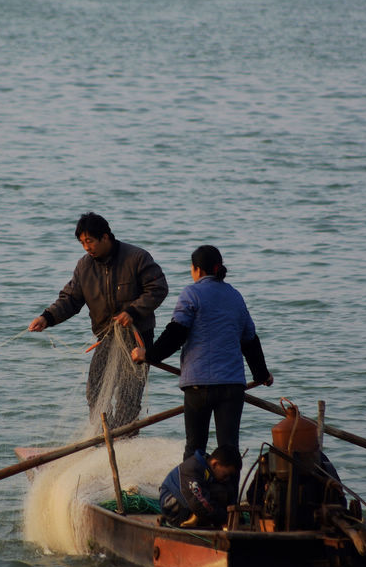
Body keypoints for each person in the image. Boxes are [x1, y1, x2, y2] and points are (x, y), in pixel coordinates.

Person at [132, 245, 273, 461]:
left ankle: (195, 492)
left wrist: (147, 355)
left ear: (197, 269)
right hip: (232, 387)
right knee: (229, 450)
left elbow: (176, 333)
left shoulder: (192, 293)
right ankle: (228, 494)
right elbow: (250, 341)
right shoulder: (235, 296)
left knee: (195, 450)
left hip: (199, 386)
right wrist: (262, 375)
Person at [29, 212, 168, 428]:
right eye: (82, 242)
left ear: (105, 237)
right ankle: (103, 436)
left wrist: (132, 311)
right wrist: (47, 317)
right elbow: (71, 299)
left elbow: (158, 288)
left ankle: (125, 439)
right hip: (107, 337)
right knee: (95, 389)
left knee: (128, 395)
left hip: (138, 338)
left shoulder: (137, 257)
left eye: (90, 241)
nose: (86, 247)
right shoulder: (84, 266)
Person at [158, 446, 242, 529]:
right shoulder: (192, 468)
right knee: (206, 501)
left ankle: (198, 518)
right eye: (225, 475)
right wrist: (225, 519)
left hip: (189, 500)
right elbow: (199, 502)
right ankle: (192, 518)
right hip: (172, 509)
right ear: (215, 464)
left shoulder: (207, 468)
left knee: (224, 491)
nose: (227, 479)